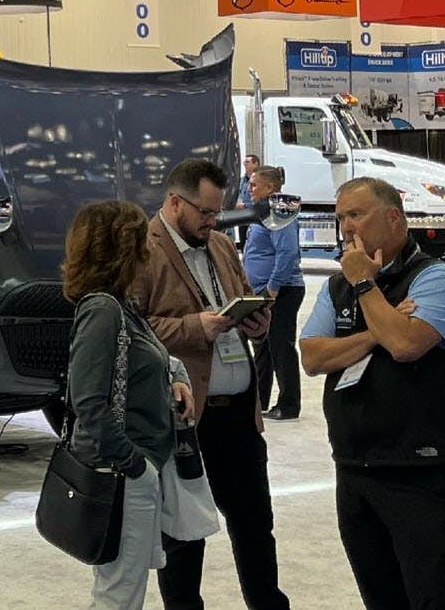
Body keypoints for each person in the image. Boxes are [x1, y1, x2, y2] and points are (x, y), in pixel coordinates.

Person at [298, 177, 445, 609]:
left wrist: (365, 286)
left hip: (420, 469)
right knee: (380, 598)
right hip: (354, 466)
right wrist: (376, 332)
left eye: (356, 215)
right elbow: (312, 356)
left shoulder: (438, 280)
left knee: (428, 598)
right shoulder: (337, 287)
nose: (346, 228)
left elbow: (407, 345)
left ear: (394, 217)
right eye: (340, 217)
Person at [128, 159, 289, 609]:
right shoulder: (142, 249)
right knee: (183, 537)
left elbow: (243, 296)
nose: (214, 221)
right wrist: (193, 328)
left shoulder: (220, 245)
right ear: (175, 202)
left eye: (218, 213)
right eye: (205, 212)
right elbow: (130, 329)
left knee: (256, 525)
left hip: (239, 412)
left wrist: (258, 322)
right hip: (185, 418)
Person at [62, 200, 214, 609]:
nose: (148, 249)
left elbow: (155, 358)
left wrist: (176, 379)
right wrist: (134, 465)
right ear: (120, 247)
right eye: (139, 240)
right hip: (122, 473)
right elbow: (88, 402)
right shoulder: (102, 310)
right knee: (119, 595)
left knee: (122, 589)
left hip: (134, 470)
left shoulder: (121, 306)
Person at [242, 166, 305, 420]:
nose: (249, 188)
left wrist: (273, 287)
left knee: (281, 347)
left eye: (254, 184)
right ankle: (260, 400)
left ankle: (289, 405)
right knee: (263, 348)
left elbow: (287, 252)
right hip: (264, 291)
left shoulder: (281, 213)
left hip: (282, 291)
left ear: (270, 188)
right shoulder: (264, 213)